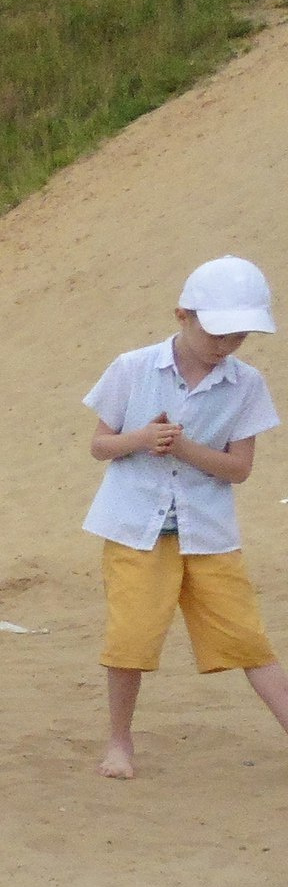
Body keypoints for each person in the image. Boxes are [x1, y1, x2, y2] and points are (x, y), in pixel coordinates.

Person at [82, 256, 287, 778]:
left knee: (249, 640)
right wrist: (142, 439)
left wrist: (183, 448)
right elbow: (100, 445)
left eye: (239, 335)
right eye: (217, 332)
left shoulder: (247, 384)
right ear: (183, 315)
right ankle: (119, 744)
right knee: (131, 640)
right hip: (134, 529)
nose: (226, 344)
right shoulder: (133, 366)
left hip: (209, 533)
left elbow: (239, 469)